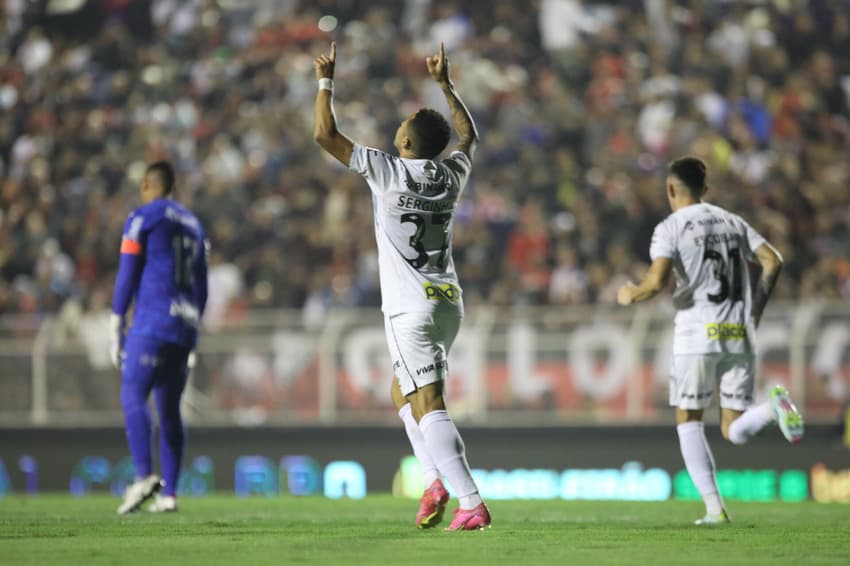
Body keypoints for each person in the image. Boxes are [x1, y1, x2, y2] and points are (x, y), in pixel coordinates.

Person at [313, 42, 490, 531]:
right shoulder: (452, 173)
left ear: (408, 143)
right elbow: (468, 135)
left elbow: (324, 133)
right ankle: (433, 480)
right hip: (447, 302)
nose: (397, 129)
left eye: (403, 127)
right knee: (402, 392)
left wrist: (326, 80)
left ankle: (471, 502)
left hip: (409, 307)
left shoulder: (386, 171)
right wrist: (446, 85)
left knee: (429, 404)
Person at [617, 156, 804, 524]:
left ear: (671, 189)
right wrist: (755, 314)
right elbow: (773, 260)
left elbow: (656, 283)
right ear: (706, 189)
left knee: (688, 418)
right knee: (733, 429)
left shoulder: (670, 227)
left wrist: (630, 294)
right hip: (740, 333)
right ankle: (773, 408)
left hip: (697, 334)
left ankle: (715, 509)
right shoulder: (732, 221)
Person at [110, 161, 208, 514]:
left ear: (149, 183)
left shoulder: (143, 217)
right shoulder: (194, 224)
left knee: (133, 392)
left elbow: (127, 273)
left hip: (152, 321)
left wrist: (116, 321)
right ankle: (170, 496)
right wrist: (194, 329)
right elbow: (202, 287)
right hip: (183, 326)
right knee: (169, 410)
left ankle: (143, 475)